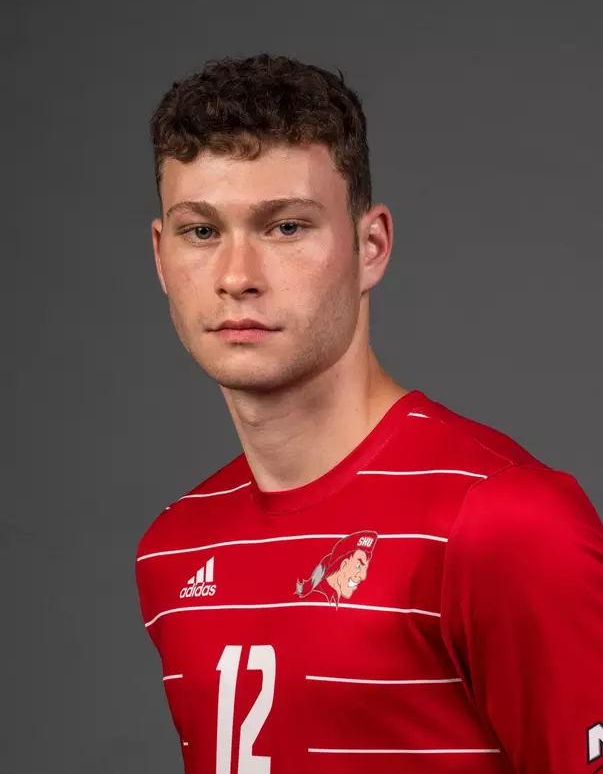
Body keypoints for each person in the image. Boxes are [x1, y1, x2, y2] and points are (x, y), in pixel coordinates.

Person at [135, 53, 603, 774]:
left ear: (371, 246)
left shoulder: (501, 521)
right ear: (161, 258)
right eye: (201, 232)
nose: (236, 277)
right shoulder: (173, 547)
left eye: (286, 227)